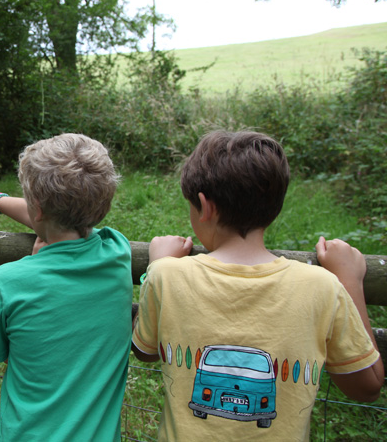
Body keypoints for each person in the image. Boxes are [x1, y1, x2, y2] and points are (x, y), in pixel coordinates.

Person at [132, 129, 383, 440]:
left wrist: (158, 263)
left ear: (204, 206)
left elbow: (146, 351)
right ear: (274, 205)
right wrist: (349, 280)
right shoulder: (323, 286)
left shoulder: (166, 275)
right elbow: (369, 386)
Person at [0, 133, 133, 441]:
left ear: (37, 210)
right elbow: (56, 218)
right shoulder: (117, 252)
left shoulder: (9, 280)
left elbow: (12, 358)